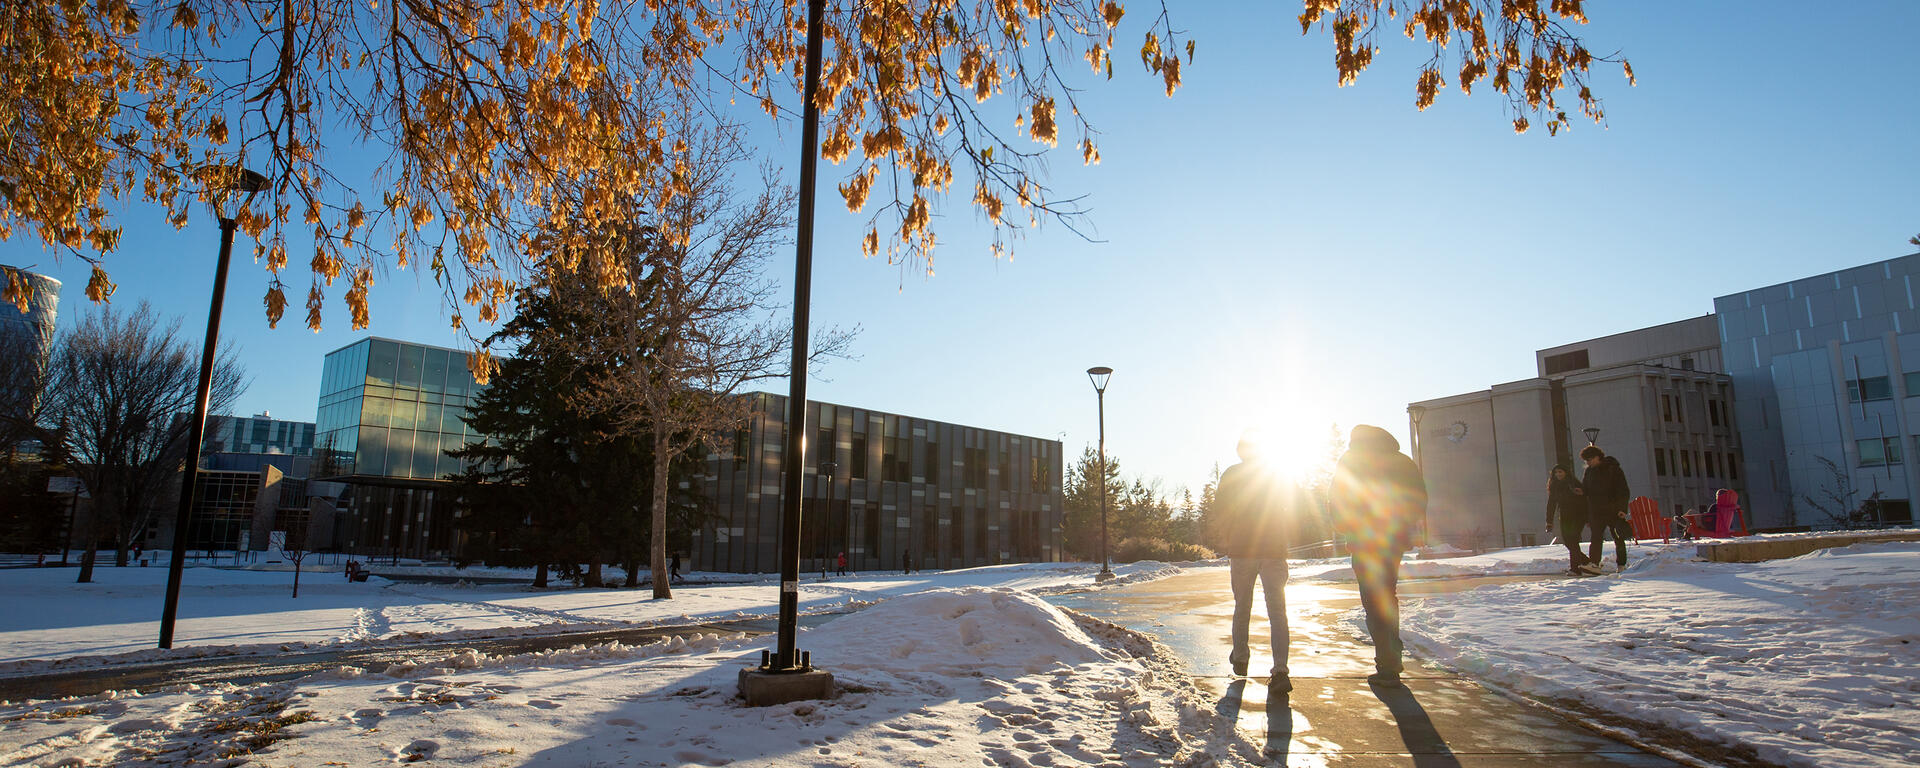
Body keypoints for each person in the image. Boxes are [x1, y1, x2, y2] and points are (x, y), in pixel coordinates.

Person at [1331, 424, 1428, 689]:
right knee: (1387, 596)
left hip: (1364, 541)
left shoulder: (1351, 461)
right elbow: (1419, 499)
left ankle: (1387, 661)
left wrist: (1347, 525)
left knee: (1373, 601)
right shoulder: (1402, 461)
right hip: (1392, 542)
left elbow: (1337, 499)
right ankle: (1390, 655)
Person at [1214, 431, 1303, 690]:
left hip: (1242, 549)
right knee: (1277, 611)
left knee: (1242, 606)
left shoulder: (1232, 474)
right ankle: (1280, 670)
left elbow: (1220, 509)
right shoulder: (1277, 473)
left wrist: (1230, 534)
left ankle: (1240, 658)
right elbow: (1295, 503)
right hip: (1273, 549)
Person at [1579, 445, 1631, 572]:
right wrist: (1581, 492)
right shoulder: (1589, 471)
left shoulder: (1613, 469)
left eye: (1589, 460)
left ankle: (1621, 565)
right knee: (1596, 537)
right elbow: (1586, 490)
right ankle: (1594, 563)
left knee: (1617, 537)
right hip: (1596, 510)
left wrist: (1622, 509)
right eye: (1586, 461)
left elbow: (1623, 490)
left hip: (1613, 510)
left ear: (1597, 457)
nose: (1588, 463)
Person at [1544, 464, 1590, 575]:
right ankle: (1586, 562)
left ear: (1566, 473)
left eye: (1560, 472)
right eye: (1556, 472)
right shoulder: (1554, 486)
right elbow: (1551, 504)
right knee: (1568, 541)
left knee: (1573, 540)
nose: (1558, 474)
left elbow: (1585, 500)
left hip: (1578, 515)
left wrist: (1588, 517)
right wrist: (1549, 521)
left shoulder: (1573, 483)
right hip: (1565, 516)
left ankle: (1575, 569)